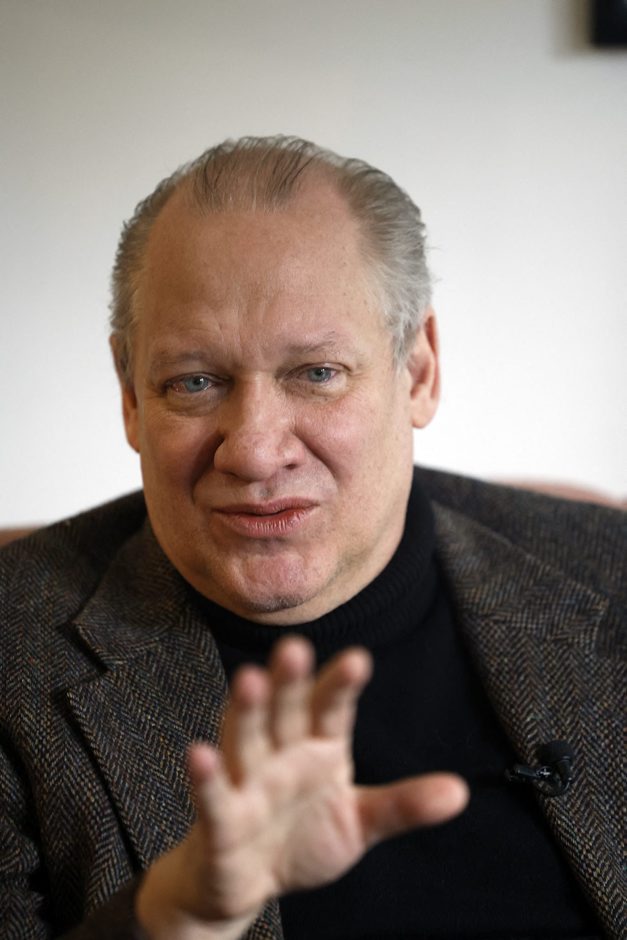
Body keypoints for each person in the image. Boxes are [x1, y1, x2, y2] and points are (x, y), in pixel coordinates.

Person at [0, 136, 624, 940]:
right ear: (130, 396)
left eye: (317, 373)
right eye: (195, 381)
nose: (256, 451)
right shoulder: (12, 652)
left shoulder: (608, 572)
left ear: (418, 370)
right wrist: (178, 915)